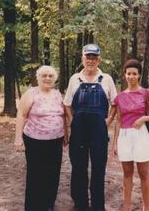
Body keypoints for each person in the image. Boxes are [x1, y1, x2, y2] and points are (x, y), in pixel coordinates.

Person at [64, 44, 117, 211]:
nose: (91, 60)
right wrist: (72, 121)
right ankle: (80, 204)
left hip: (98, 131)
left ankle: (97, 206)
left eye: (94, 57)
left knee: (98, 168)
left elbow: (115, 103)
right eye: (88, 57)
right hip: (79, 130)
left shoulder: (107, 79)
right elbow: (67, 104)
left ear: (99, 60)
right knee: (78, 168)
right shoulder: (74, 79)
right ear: (83, 58)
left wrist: (108, 121)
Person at [112, 59, 149, 211]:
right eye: (128, 73)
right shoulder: (120, 97)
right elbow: (118, 121)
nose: (131, 76)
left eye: (134, 74)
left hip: (141, 136)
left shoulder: (146, 93)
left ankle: (146, 207)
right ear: (125, 75)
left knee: (144, 174)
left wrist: (144, 118)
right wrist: (115, 142)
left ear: (139, 75)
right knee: (127, 174)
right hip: (124, 136)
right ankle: (126, 207)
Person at [14, 65, 68, 211]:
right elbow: (21, 115)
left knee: (53, 174)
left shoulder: (57, 94)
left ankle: (48, 204)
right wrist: (18, 138)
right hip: (34, 141)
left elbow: (63, 116)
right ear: (38, 77)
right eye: (44, 75)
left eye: (50, 76)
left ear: (54, 79)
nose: (47, 78)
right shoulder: (31, 93)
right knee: (36, 174)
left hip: (56, 141)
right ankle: (33, 206)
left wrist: (65, 134)